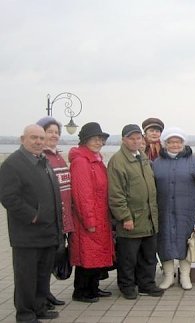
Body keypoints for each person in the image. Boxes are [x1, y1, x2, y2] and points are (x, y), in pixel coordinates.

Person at [0, 124, 62, 322]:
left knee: (43, 275)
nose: (38, 142)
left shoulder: (42, 160)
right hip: (27, 234)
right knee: (26, 277)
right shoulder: (13, 164)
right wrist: (32, 215)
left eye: (41, 139)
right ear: (22, 139)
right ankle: (25, 314)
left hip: (48, 232)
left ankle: (39, 307)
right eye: (33, 138)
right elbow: (9, 197)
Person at [108, 124, 163, 300]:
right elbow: (116, 194)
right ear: (123, 140)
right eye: (131, 138)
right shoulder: (118, 161)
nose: (136, 141)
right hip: (131, 219)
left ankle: (146, 284)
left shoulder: (143, 157)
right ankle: (127, 286)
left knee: (148, 256)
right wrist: (124, 217)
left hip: (148, 218)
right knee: (128, 258)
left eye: (138, 138)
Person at [153, 127, 195, 290]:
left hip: (187, 211)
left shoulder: (192, 160)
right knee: (164, 242)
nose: (175, 145)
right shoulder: (157, 163)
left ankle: (185, 276)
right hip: (163, 210)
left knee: (186, 242)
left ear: (183, 143)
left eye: (178, 142)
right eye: (171, 142)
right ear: (165, 144)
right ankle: (168, 276)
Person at [68, 122, 115, 303]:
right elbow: (82, 194)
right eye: (95, 139)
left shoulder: (95, 159)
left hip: (100, 215)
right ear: (85, 140)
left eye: (100, 139)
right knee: (86, 256)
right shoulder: (81, 162)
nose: (98, 142)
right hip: (89, 217)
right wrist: (89, 221)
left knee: (96, 256)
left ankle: (93, 288)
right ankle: (81, 291)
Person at [36, 116, 74, 309]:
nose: (53, 135)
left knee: (52, 259)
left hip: (63, 217)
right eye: (49, 131)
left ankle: (46, 293)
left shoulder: (58, 156)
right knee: (43, 262)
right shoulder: (40, 158)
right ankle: (40, 298)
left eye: (56, 132)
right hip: (50, 219)